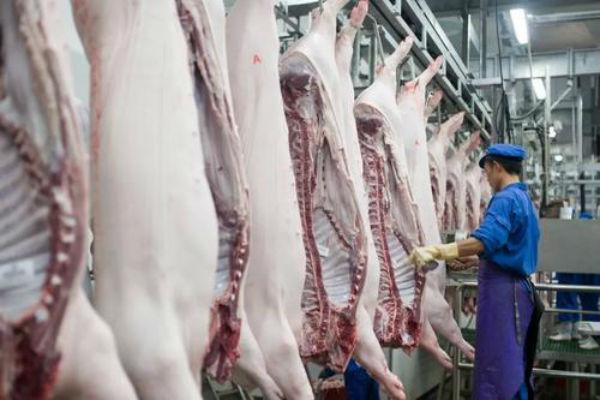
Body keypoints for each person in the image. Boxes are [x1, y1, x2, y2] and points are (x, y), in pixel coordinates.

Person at [410, 144, 542, 400]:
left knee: (499, 367)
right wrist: (475, 261)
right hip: (515, 292)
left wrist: (438, 251)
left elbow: (485, 240)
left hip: (504, 298)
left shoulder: (505, 199)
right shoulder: (524, 199)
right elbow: (510, 246)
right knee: (513, 367)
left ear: (497, 166)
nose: (487, 178)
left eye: (487, 171)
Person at [549, 211, 600, 350]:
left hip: (583, 270)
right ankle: (583, 332)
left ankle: (587, 335)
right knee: (589, 301)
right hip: (590, 270)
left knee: (579, 298)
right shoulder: (588, 243)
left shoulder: (574, 247)